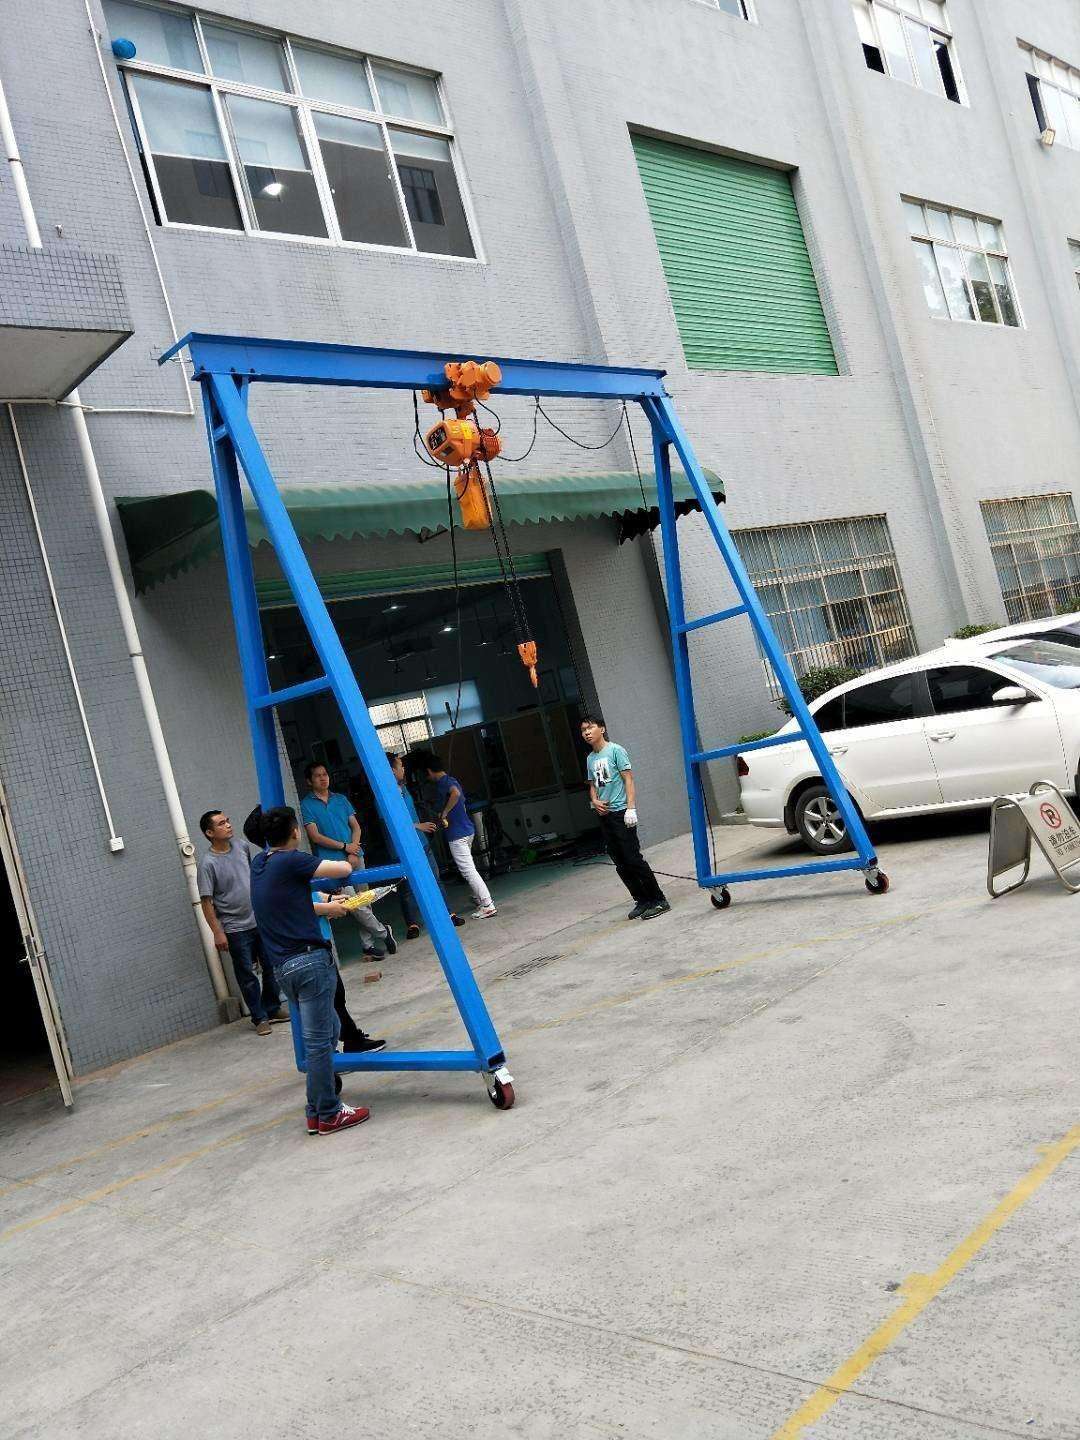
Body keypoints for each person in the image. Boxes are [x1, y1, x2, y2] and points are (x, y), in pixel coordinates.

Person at [249, 805, 372, 1136]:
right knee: (319, 1043)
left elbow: (290, 900)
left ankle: (318, 1109)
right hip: (309, 963)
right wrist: (351, 852)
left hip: (284, 968)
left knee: (330, 1029)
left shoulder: (260, 864)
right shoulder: (293, 860)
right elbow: (343, 867)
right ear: (295, 832)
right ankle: (327, 1112)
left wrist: (327, 906)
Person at [197, 809, 288, 1035]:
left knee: (271, 965)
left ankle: (272, 1008)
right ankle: (259, 1017)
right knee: (247, 975)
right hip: (235, 928)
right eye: (221, 823)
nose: (228, 825)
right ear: (209, 833)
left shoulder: (242, 847)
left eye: (227, 821)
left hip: (260, 919)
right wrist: (217, 932)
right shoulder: (207, 864)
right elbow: (206, 902)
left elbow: (251, 878)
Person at [300, 761, 396, 960]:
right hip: (332, 864)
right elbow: (315, 836)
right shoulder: (307, 805)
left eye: (325, 774)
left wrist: (353, 848)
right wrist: (345, 847)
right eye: (317, 775)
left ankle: (367, 945)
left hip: (355, 856)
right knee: (352, 903)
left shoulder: (341, 799)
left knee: (365, 899)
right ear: (309, 781)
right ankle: (383, 932)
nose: (323, 778)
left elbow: (356, 827)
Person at [581, 715, 670, 921]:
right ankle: (642, 900)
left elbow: (628, 779)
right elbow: (593, 785)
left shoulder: (616, 750)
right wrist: (594, 801)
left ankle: (659, 900)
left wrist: (631, 809)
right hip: (604, 815)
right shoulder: (590, 758)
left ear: (602, 729)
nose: (586, 732)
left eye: (590, 727)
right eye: (583, 730)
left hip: (621, 813)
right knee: (619, 861)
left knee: (633, 858)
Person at [386, 752, 464, 938]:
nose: (404, 769)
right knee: (407, 888)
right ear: (391, 770)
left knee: (435, 879)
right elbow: (390, 822)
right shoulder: (384, 795)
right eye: (400, 766)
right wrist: (418, 826)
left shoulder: (403, 788)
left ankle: (448, 914)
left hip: (421, 843)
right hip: (401, 848)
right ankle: (412, 924)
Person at [411, 749, 497, 919]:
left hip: (458, 835)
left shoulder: (444, 783)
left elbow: (455, 795)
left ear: (429, 771)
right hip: (467, 830)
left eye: (426, 775)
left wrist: (444, 813)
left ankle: (487, 904)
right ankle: (480, 898)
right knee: (469, 869)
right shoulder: (451, 780)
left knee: (468, 871)